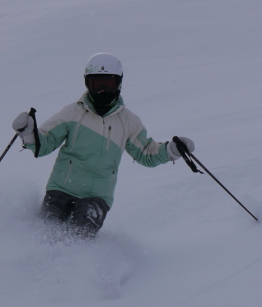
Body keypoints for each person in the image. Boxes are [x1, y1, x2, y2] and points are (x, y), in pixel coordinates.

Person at [12, 53, 194, 238]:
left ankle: (75, 265)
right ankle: (34, 263)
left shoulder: (128, 122)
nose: (101, 91)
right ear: (87, 84)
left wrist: (171, 150)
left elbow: (146, 154)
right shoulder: (73, 113)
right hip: (61, 190)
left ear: (118, 84)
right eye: (95, 84)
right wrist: (28, 133)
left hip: (96, 197)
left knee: (79, 236)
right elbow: (44, 145)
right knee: (46, 233)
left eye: (107, 84)